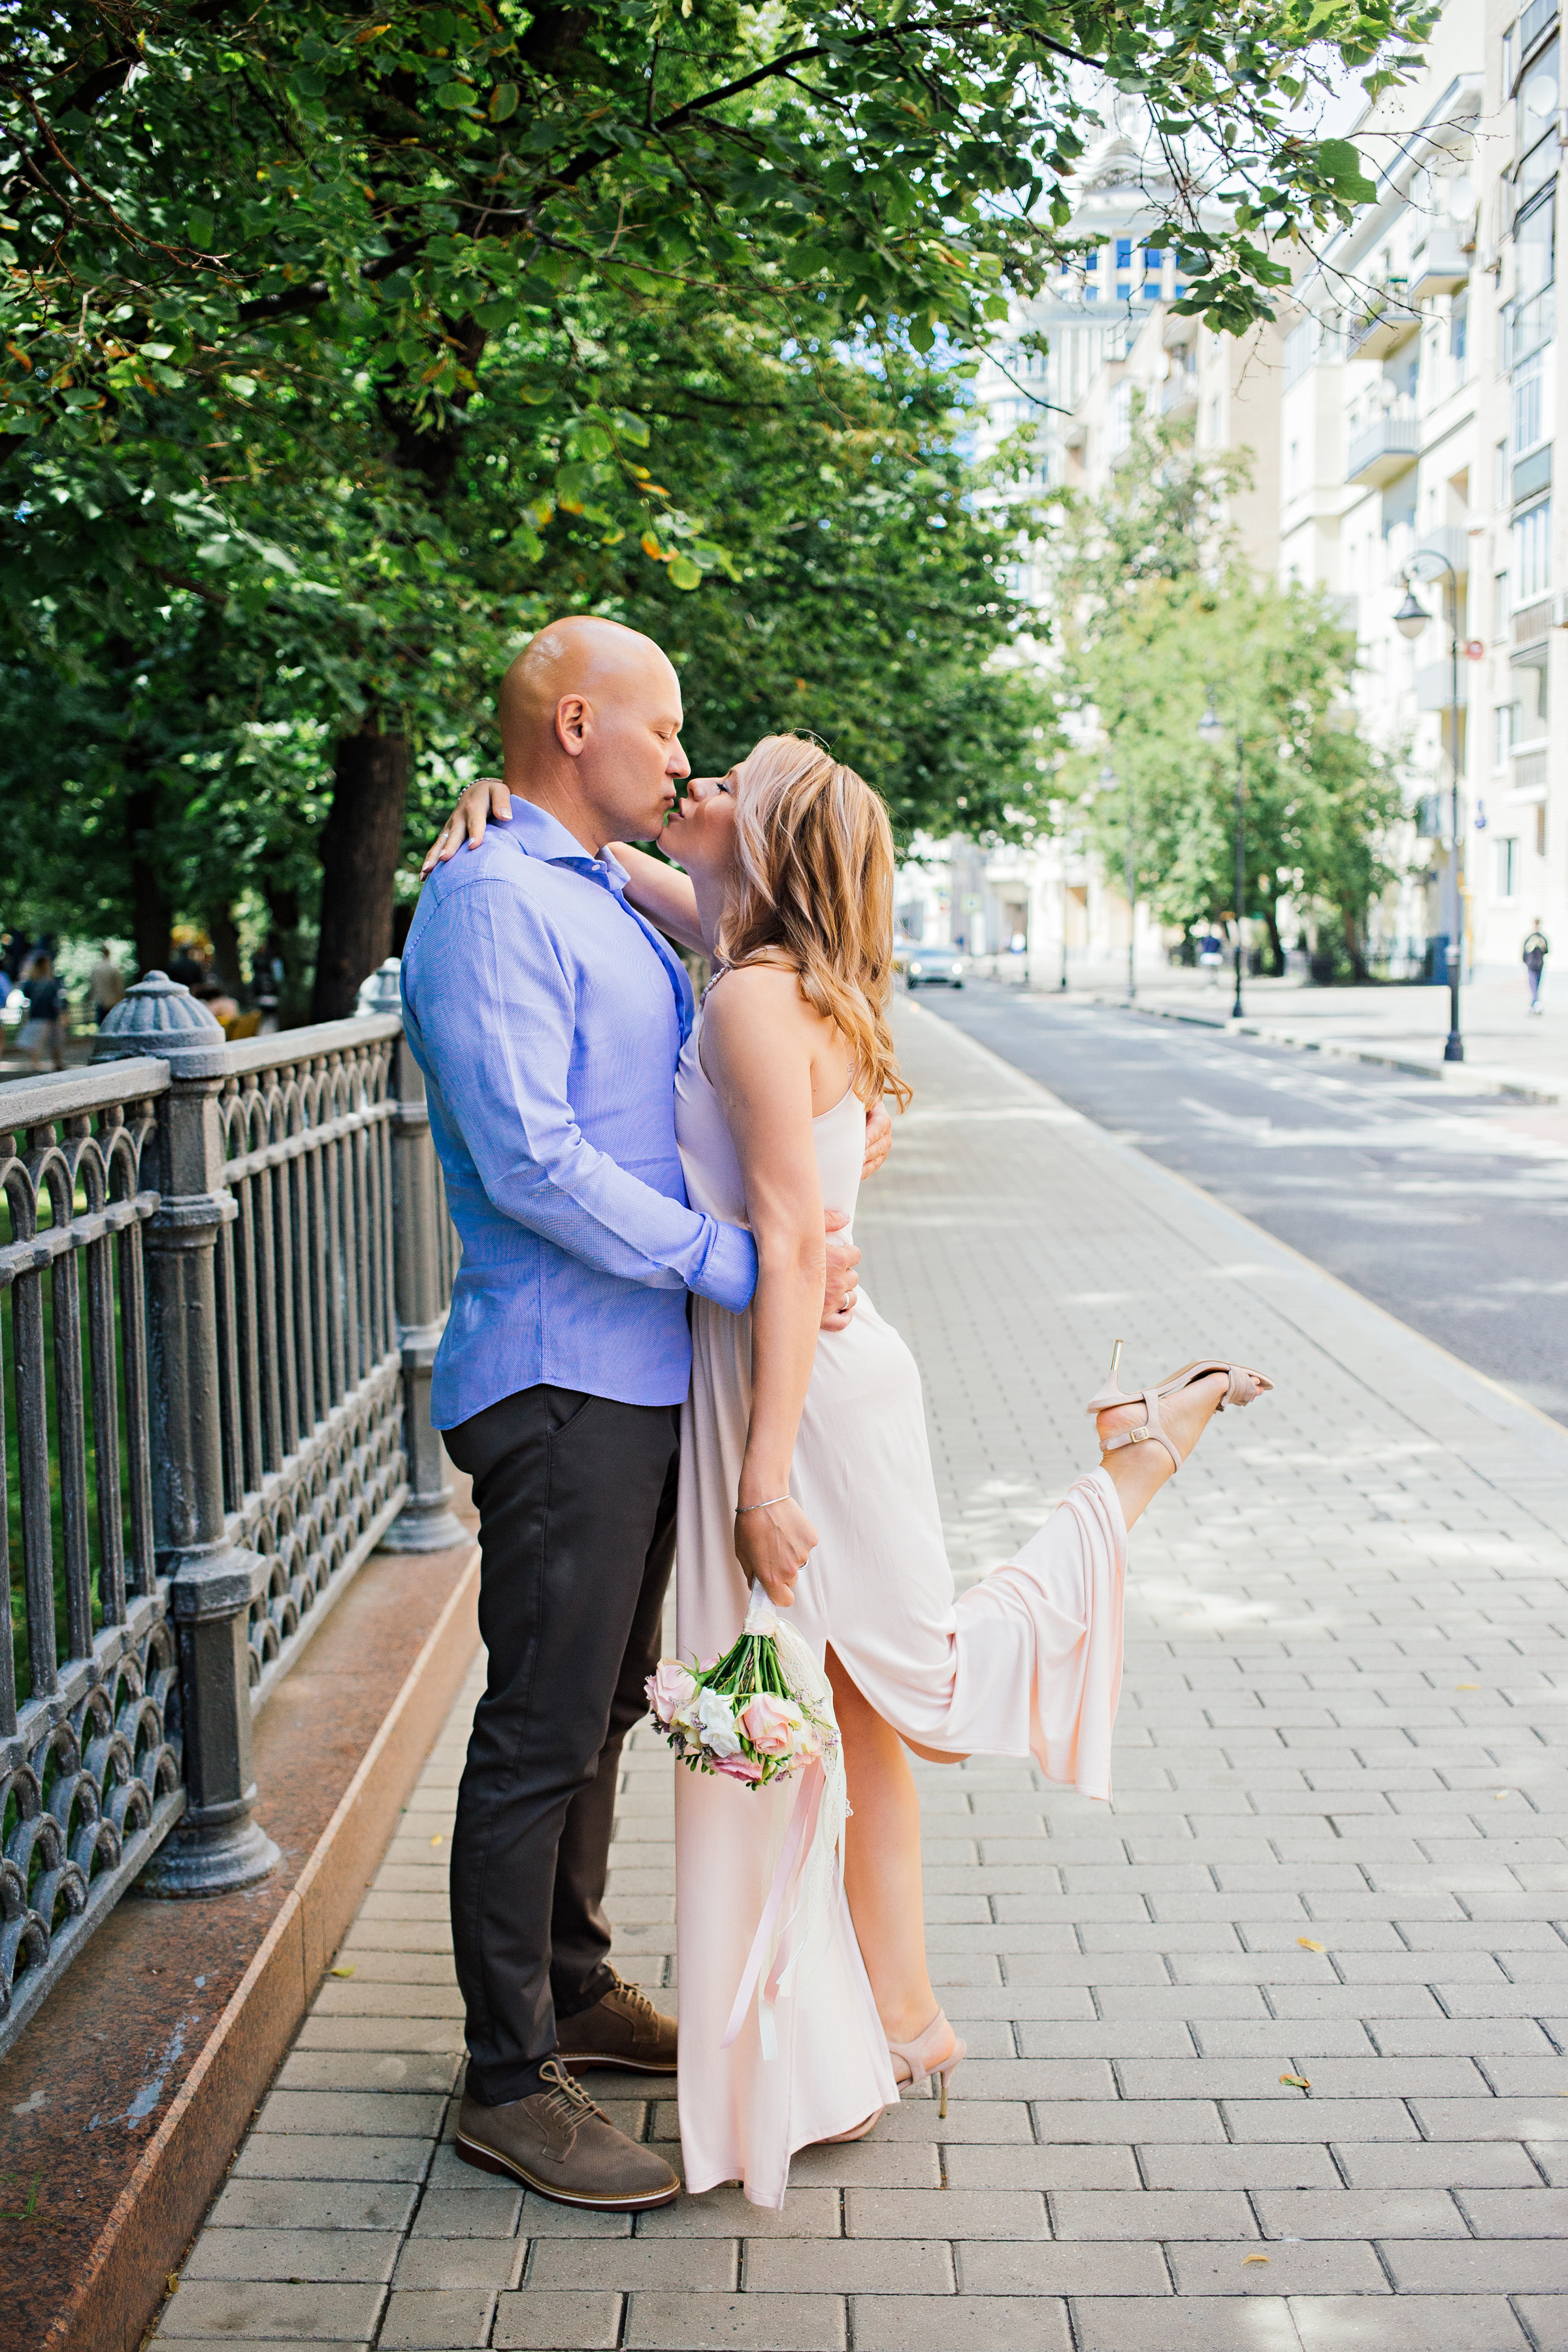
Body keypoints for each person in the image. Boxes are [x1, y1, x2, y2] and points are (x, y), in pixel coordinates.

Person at [434, 737, 1273, 2210]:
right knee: (864, 1719)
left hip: (802, 1398)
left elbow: (788, 1238)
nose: (699, 778)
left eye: (729, 778)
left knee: (922, 1691)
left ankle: (1137, 1466)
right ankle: (901, 2016)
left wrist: (762, 1482)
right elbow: (610, 862)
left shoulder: (759, 995)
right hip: (793, 1373)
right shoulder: (749, 949)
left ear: (766, 841)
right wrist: (503, 808)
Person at [403, 620, 887, 2217]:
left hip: (638, 1377)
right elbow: (533, 1161)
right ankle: (502, 2077)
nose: (681, 755)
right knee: (540, 1721)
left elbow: (779, 944)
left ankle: (571, 1983)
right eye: (662, 726)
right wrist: (737, 1263)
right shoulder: (485, 903)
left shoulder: (588, 889)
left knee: (603, 1698)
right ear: (574, 718)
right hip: (556, 1374)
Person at [17, 952, 68, 1073]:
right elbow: (58, 1000)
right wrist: (63, 1014)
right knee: (52, 1041)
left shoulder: (31, 982)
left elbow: (26, 996)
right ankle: (55, 1063)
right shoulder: (51, 982)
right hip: (48, 1015)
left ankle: (37, 1064)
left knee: (39, 1041)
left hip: (39, 1015)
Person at [90, 944, 126, 1026]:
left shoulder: (96, 968)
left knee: (101, 1023)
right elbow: (119, 986)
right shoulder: (113, 968)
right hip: (112, 1000)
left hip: (100, 1000)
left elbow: (92, 985)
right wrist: (122, 998)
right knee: (112, 1022)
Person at [1523, 920, 1549, 1015]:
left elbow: (1547, 951)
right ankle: (1536, 1004)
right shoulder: (1530, 938)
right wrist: (1526, 962)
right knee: (1533, 985)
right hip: (1531, 965)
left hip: (1539, 965)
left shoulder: (1542, 938)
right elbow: (1525, 952)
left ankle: (1534, 1004)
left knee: (1536, 985)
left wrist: (1542, 945)